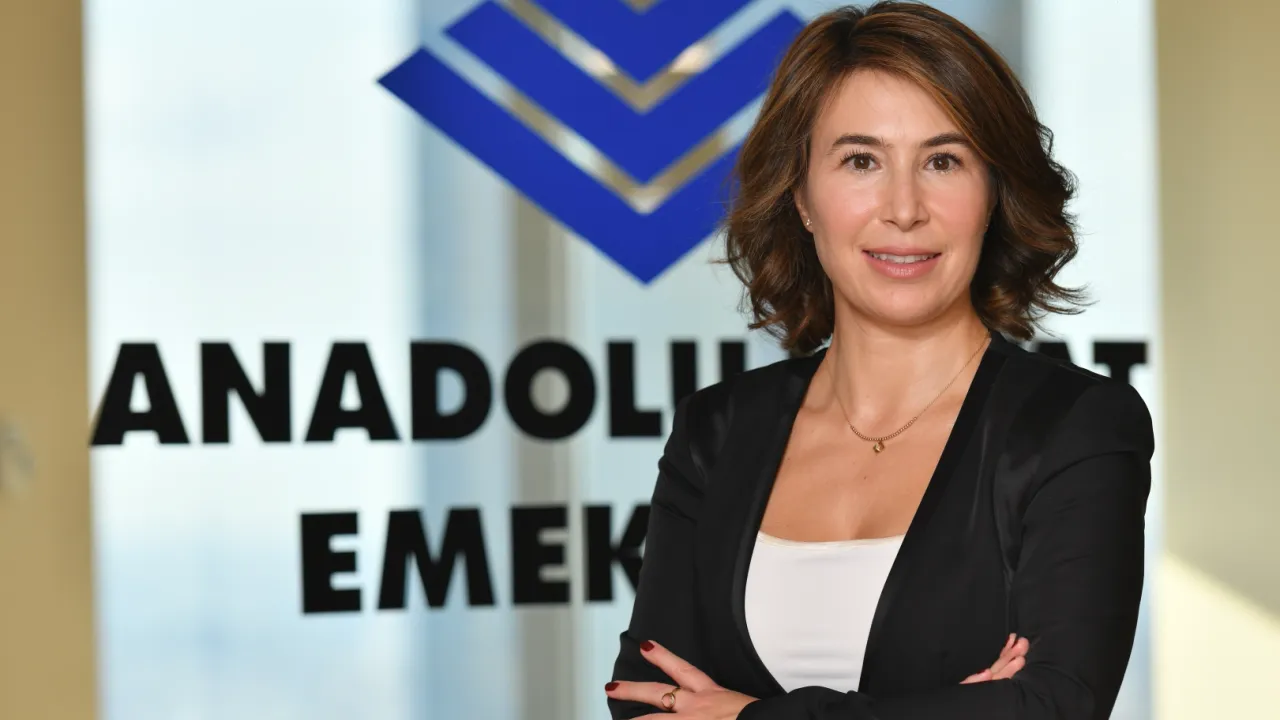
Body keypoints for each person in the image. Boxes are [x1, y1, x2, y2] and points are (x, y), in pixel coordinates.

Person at [603, 3, 1154, 719]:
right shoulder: (719, 428)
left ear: (993, 193)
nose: (903, 208)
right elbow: (646, 702)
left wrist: (745, 715)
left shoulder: (1076, 426)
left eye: (943, 161)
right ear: (801, 196)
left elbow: (1053, 706)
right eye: (861, 160)